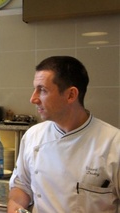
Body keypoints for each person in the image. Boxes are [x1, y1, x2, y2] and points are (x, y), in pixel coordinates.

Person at [7, 56, 120, 212]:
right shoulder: (33, 135)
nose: (33, 99)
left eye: (42, 90)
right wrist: (16, 207)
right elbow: (21, 186)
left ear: (71, 95)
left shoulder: (114, 144)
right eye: (35, 89)